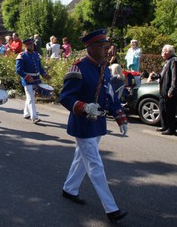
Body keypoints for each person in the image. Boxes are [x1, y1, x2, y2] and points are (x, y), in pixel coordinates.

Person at [59, 29, 128, 223]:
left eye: (106, 46)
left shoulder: (104, 68)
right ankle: (111, 209)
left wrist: (120, 116)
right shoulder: (79, 67)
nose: (105, 50)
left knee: (81, 158)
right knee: (95, 164)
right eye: (101, 46)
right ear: (90, 48)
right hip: (82, 124)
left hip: (98, 123)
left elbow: (110, 96)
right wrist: (82, 106)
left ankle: (69, 189)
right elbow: (65, 97)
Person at [148, 44, 177, 135]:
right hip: (163, 91)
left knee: (169, 110)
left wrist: (171, 90)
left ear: (167, 52)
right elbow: (163, 75)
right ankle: (164, 126)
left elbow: (175, 77)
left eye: (163, 51)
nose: (161, 53)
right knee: (162, 108)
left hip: (169, 91)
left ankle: (171, 129)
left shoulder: (174, 61)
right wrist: (155, 76)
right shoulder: (168, 61)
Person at [16, 37, 51, 124]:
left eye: (32, 44)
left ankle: (26, 113)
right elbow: (19, 70)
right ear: (25, 46)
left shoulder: (36, 55)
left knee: (30, 97)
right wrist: (26, 77)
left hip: (37, 79)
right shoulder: (21, 56)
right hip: (27, 80)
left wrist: (44, 74)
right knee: (31, 97)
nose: (32, 46)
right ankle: (34, 117)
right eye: (29, 45)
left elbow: (40, 68)